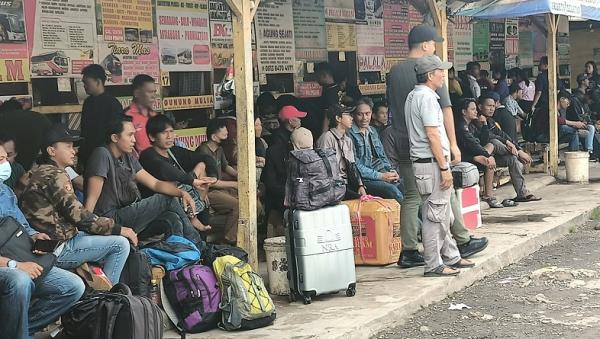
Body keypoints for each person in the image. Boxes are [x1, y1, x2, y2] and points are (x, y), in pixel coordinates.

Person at [386, 24, 488, 268]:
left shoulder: (395, 71)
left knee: (412, 196)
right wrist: (453, 144)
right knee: (445, 191)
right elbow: (446, 110)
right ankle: (461, 240)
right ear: (424, 45)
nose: (435, 47)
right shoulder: (431, 69)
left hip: (402, 140)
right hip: (428, 146)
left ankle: (409, 250)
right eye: (433, 43)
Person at [20, 124, 132, 285]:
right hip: (57, 246)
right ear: (51, 151)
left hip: (47, 242)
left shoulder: (34, 171)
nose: (74, 151)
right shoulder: (55, 175)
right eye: (68, 146)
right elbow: (79, 215)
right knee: (120, 244)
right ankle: (109, 300)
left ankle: (98, 290)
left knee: (103, 237)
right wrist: (119, 229)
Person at [0, 144, 85, 339]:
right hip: (9, 264)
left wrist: (34, 236)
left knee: (73, 286)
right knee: (20, 281)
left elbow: (22, 225)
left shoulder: (5, 192)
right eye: (0, 161)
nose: (5, 165)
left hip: (19, 256)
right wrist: (15, 265)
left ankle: (19, 330)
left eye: (5, 159)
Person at [84, 116, 205, 246]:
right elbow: (91, 200)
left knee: (172, 218)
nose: (134, 140)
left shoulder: (127, 157)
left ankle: (183, 255)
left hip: (127, 213)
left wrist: (182, 193)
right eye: (130, 135)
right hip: (109, 219)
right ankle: (199, 246)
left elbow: (155, 183)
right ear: (115, 138)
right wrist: (87, 231)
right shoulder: (102, 154)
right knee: (165, 199)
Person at [404, 55, 474, 277]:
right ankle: (433, 264)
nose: (443, 75)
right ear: (429, 75)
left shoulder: (416, 95)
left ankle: (451, 256)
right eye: (439, 71)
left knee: (442, 214)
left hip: (428, 163)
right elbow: (432, 135)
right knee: (434, 216)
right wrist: (444, 168)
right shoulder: (425, 98)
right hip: (431, 164)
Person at [139, 115, 218, 232]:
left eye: (171, 131)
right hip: (163, 202)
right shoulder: (147, 155)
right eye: (164, 132)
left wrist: (213, 177)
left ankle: (196, 210)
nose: (169, 136)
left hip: (186, 195)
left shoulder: (174, 151)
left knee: (201, 164)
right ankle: (193, 217)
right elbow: (164, 169)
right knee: (172, 183)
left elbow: (206, 158)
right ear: (152, 136)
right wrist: (192, 181)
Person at [196, 119, 257, 245]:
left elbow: (226, 166)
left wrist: (242, 177)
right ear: (213, 136)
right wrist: (236, 184)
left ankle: (248, 238)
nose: (228, 137)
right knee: (239, 205)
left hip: (221, 188)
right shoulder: (203, 151)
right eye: (224, 135)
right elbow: (210, 182)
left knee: (254, 201)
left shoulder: (219, 149)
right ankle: (228, 241)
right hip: (209, 191)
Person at [478, 94, 542, 203]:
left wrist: (517, 148)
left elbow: (503, 135)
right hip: (479, 156)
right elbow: (489, 136)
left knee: (513, 160)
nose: (491, 108)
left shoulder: (491, 121)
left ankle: (522, 193)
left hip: (493, 157)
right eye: (488, 106)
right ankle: (517, 154)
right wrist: (517, 151)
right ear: (480, 107)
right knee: (495, 142)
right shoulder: (477, 120)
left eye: (493, 106)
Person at [456, 99, 513, 209]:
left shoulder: (473, 124)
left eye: (475, 109)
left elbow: (484, 140)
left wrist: (484, 124)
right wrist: (485, 156)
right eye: (472, 109)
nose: (476, 112)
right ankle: (489, 196)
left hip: (474, 154)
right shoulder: (461, 127)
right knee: (489, 162)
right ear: (464, 112)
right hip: (463, 157)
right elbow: (472, 145)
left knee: (491, 145)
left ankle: (489, 195)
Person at [347, 98, 403, 203]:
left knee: (405, 187)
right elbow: (356, 165)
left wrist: (391, 171)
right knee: (393, 191)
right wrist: (381, 176)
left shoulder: (372, 131)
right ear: (353, 116)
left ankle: (419, 218)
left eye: (367, 114)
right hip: (364, 180)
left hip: (379, 173)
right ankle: (408, 219)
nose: (364, 118)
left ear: (371, 114)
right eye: (360, 114)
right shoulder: (349, 134)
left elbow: (382, 156)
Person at [79, 64, 124, 169]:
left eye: (87, 83)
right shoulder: (88, 103)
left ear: (98, 82)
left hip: (107, 155)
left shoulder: (113, 104)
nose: (84, 86)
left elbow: (116, 132)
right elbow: (84, 132)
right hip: (88, 155)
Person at [317, 104, 367, 199]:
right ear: (338, 118)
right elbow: (323, 169)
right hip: (333, 186)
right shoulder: (327, 138)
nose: (351, 118)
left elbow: (353, 165)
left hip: (348, 183)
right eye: (348, 115)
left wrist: (360, 185)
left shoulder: (347, 140)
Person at [123, 74, 158, 155]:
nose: (154, 96)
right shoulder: (126, 117)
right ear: (137, 93)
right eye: (149, 92)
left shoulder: (155, 116)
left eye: (154, 92)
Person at [558, 91, 595, 156]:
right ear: (562, 99)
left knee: (575, 134)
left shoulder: (561, 111)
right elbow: (558, 121)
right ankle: (576, 155)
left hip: (558, 133)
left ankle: (575, 156)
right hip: (544, 135)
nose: (568, 104)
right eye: (568, 102)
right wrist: (574, 124)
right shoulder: (550, 108)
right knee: (572, 131)